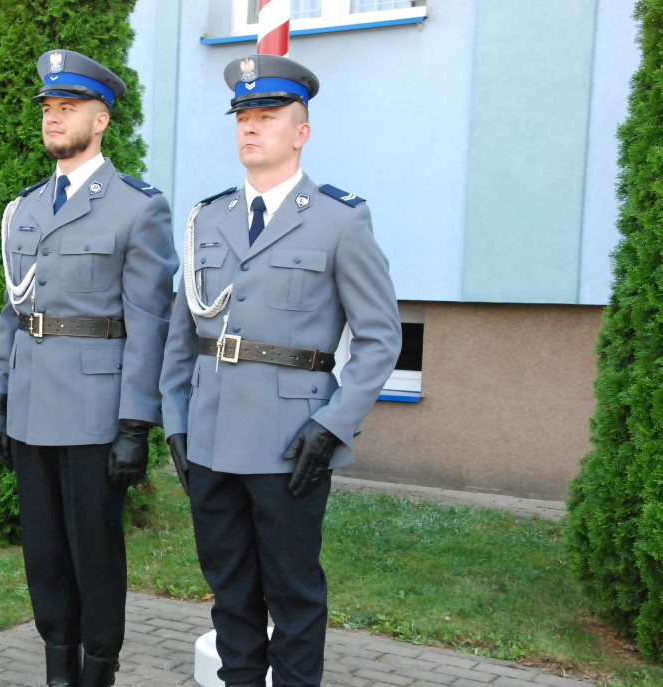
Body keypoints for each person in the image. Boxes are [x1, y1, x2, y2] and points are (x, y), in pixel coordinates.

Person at [159, 55, 402, 687]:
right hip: (210, 436)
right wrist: (174, 422)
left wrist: (335, 425)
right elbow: (182, 334)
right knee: (231, 595)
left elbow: (380, 338)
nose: (251, 127)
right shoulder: (206, 219)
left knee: (293, 598)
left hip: (291, 443)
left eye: (268, 116)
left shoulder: (339, 219)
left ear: (302, 132)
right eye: (243, 115)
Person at [0, 49, 178, 687]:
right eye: (48, 107)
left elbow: (148, 322)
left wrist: (135, 424)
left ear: (100, 121)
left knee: (94, 554)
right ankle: (57, 672)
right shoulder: (25, 208)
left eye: (67, 109)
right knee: (42, 554)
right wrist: (0, 397)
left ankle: (99, 672)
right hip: (35, 405)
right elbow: (16, 311)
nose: (53, 118)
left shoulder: (135, 206)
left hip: (97, 413)